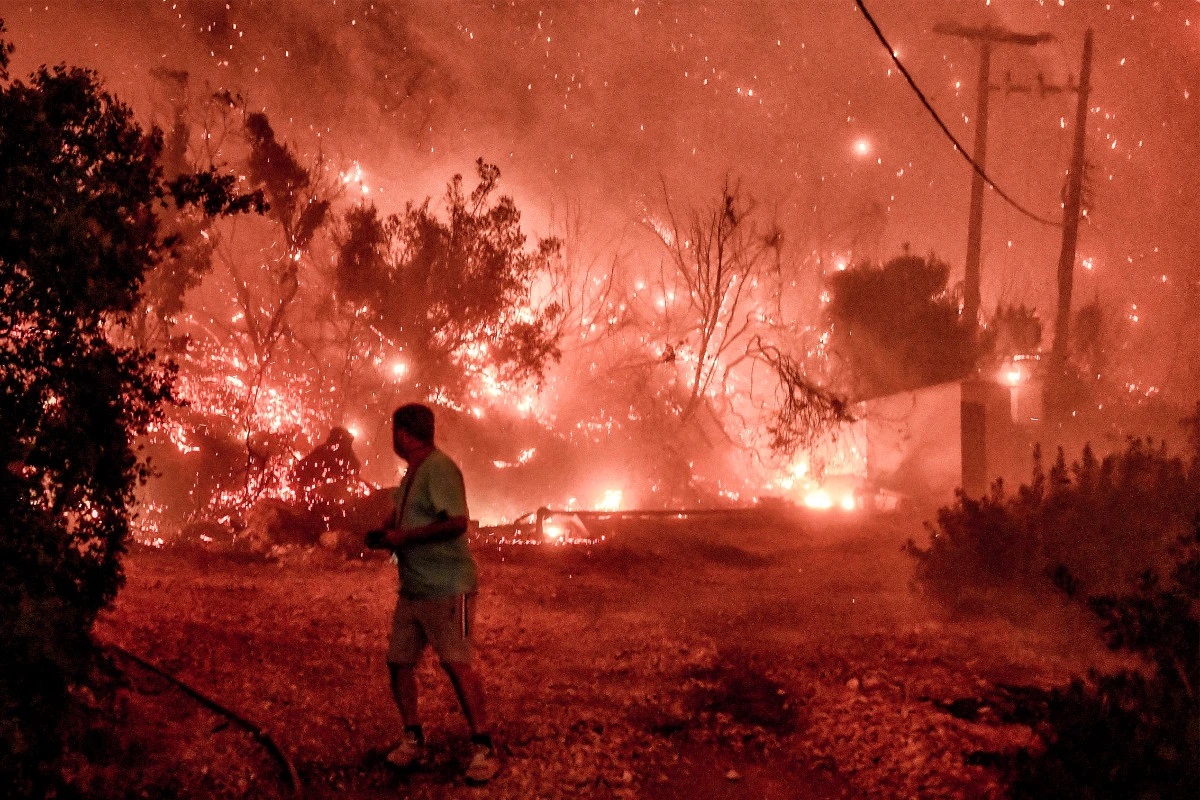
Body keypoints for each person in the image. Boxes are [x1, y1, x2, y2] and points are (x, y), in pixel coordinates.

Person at [365, 403, 498, 784]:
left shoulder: (439, 468)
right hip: (414, 589)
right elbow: (401, 513)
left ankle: (484, 746)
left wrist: (403, 537)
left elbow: (457, 522)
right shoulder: (413, 474)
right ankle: (412, 737)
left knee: (457, 664)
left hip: (448, 586)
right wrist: (382, 532)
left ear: (405, 433)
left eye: (395, 431)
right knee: (398, 661)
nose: (394, 438)